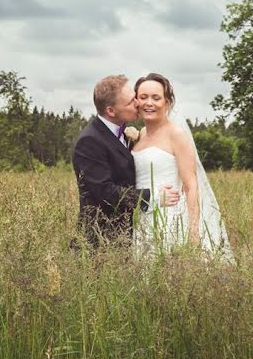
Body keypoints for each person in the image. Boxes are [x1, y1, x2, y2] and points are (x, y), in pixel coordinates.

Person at [131, 73, 233, 260]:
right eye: (143, 97)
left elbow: (190, 184)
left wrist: (193, 232)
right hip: (144, 216)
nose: (149, 103)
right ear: (136, 101)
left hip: (170, 218)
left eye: (156, 97)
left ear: (167, 103)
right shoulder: (140, 134)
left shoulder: (176, 135)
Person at [72, 75, 180, 248]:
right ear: (111, 111)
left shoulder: (124, 133)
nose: (138, 103)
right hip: (100, 242)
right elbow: (104, 191)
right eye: (131, 102)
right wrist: (153, 196)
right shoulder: (90, 141)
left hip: (128, 235)